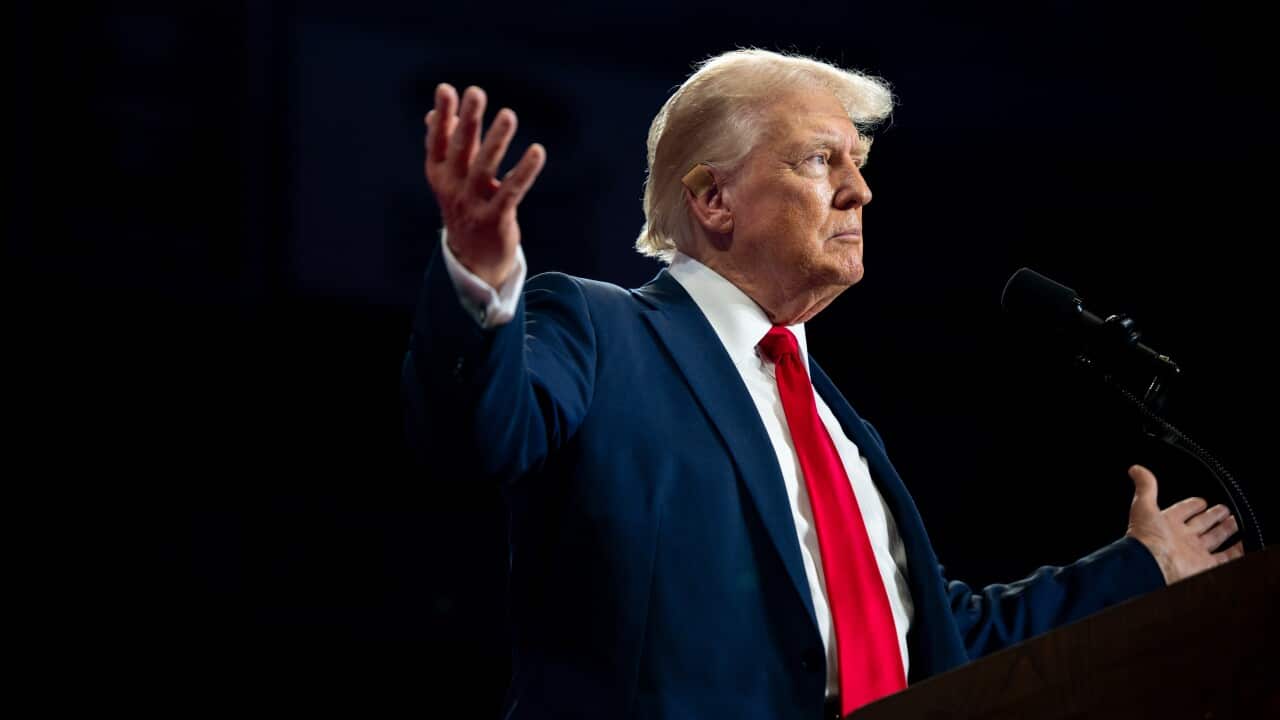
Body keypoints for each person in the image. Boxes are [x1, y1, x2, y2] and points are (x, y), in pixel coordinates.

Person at [402, 49, 1243, 720]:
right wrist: (481, 283)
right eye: (820, 159)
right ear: (715, 199)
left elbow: (938, 642)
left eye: (860, 160)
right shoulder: (600, 330)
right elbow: (479, 432)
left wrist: (1140, 569)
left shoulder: (844, 434)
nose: (861, 189)